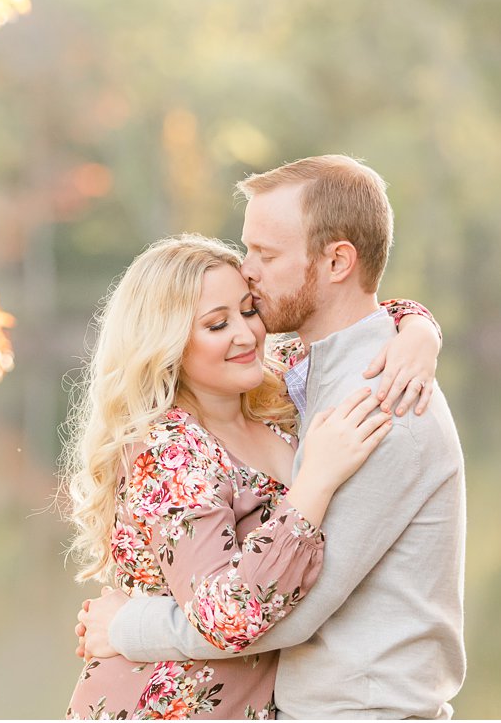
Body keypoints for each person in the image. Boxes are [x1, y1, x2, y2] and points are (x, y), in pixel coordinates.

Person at [78, 156, 466, 720]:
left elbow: (287, 614)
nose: (249, 271)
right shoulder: (306, 382)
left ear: (337, 261)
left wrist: (126, 625)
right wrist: (417, 327)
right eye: (247, 250)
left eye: (266, 253)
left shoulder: (379, 405)